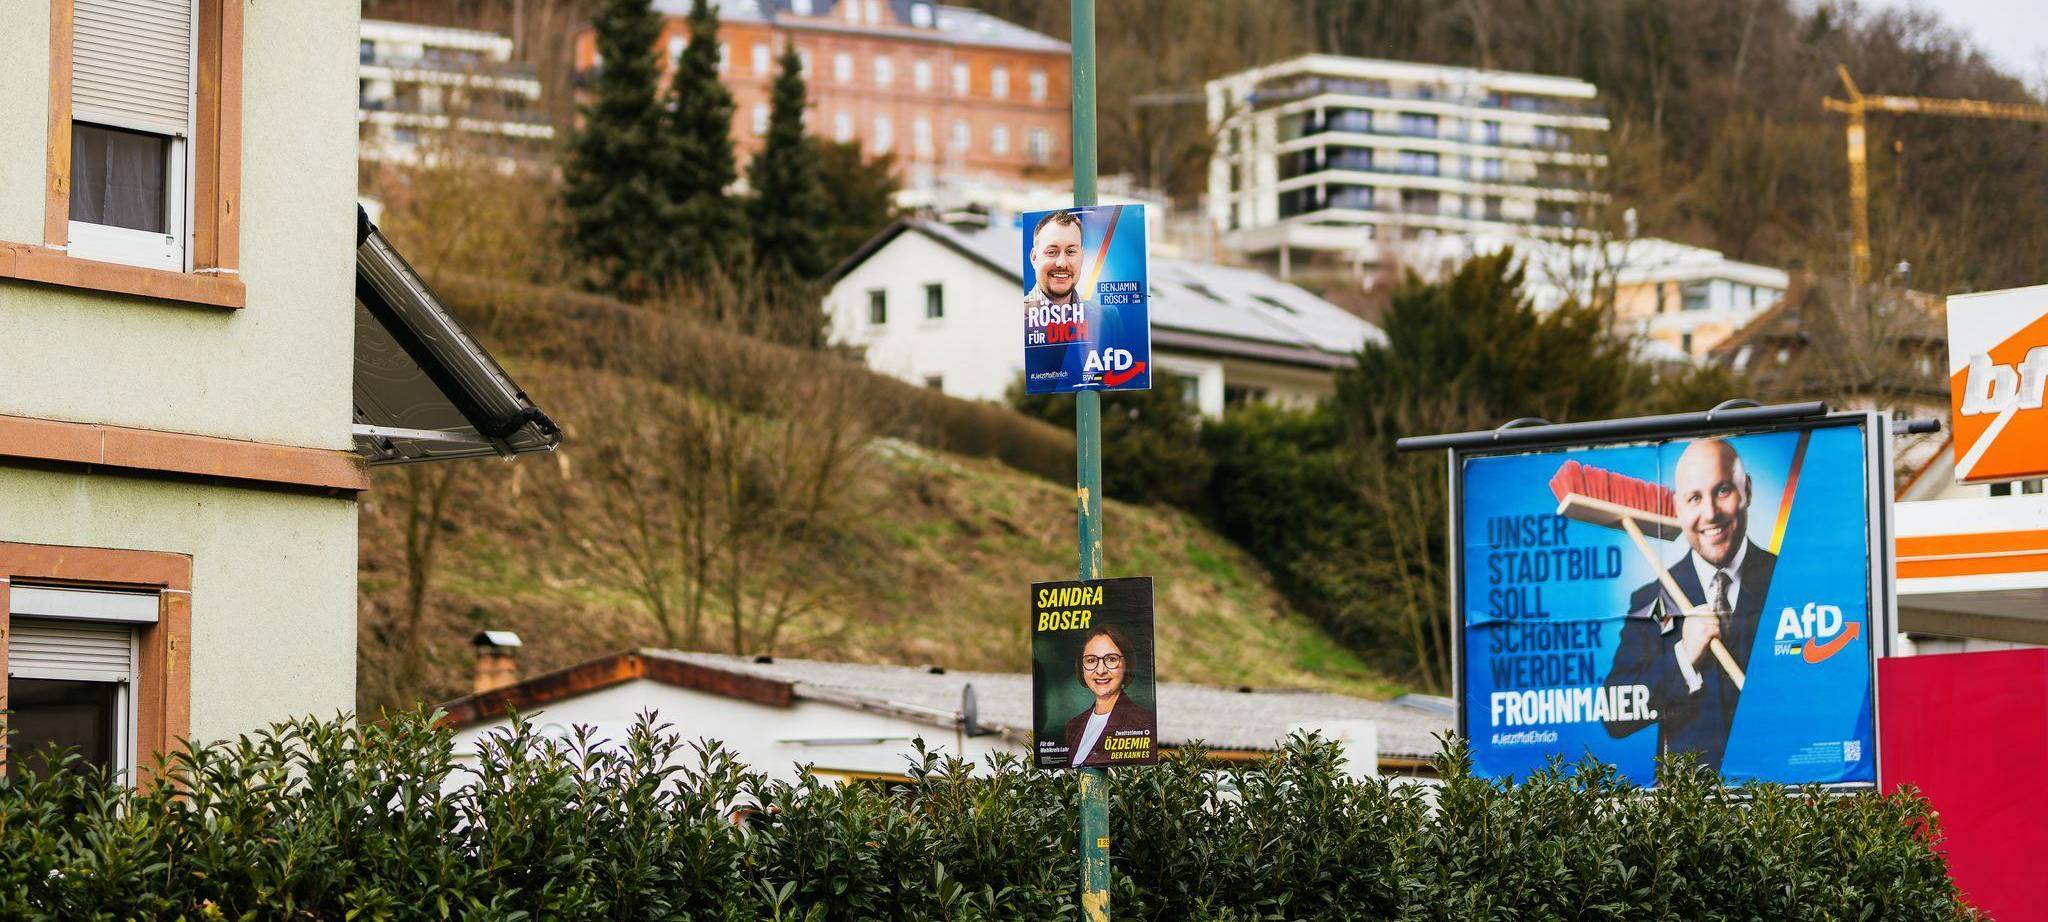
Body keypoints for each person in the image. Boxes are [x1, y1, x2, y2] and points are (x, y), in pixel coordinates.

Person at [1602, 438, 1778, 772]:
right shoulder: (1650, 601)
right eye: (1695, 498)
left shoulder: (1787, 582)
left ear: (1748, 491)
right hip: (1690, 808)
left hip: (1778, 792)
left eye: (1723, 490)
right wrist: (1684, 656)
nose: (1710, 513)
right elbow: (1614, 714)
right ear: (1677, 508)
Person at [1063, 626, 1154, 767]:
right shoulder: (1073, 726)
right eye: (1091, 660)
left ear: (1127, 664)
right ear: (1081, 667)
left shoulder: (1143, 723)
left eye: (1111, 659)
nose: (1101, 670)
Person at [1026, 210, 1086, 305]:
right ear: (1034, 258)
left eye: (1070, 251)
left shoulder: (1108, 315)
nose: (1061, 263)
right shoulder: (1017, 313)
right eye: (1052, 252)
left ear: (1082, 257)